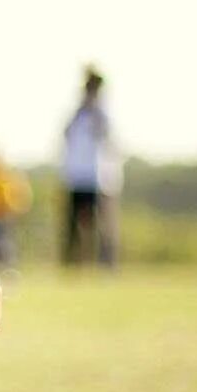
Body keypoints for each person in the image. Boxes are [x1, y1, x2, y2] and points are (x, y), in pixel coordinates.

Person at [60, 66, 120, 268]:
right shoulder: (78, 114)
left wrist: (93, 109)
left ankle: (104, 263)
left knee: (101, 225)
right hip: (76, 176)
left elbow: (105, 136)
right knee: (72, 225)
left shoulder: (102, 113)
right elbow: (66, 134)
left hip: (99, 178)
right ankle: (73, 262)